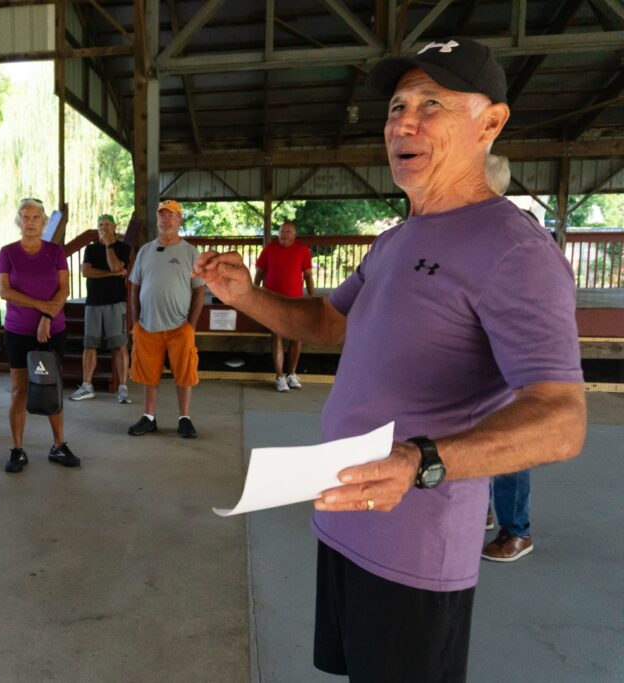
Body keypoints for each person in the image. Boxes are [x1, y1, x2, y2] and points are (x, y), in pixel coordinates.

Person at [193, 38, 586, 681]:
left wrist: (423, 459)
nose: (404, 121)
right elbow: (325, 323)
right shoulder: (396, 239)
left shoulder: (515, 249)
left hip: (417, 552)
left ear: (490, 123)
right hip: (346, 524)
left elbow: (561, 419)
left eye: (432, 104)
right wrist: (246, 295)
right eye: (398, 105)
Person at [0, 198, 79, 473]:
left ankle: (58, 445)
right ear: (19, 221)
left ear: (44, 222)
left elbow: (64, 289)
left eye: (35, 217)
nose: (30, 222)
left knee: (52, 387)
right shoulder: (8, 252)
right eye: (25, 217)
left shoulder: (55, 252)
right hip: (18, 331)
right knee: (19, 391)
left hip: (52, 331)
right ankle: (17, 450)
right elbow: (5, 291)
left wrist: (46, 316)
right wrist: (42, 306)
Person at [480, 153, 535, 562]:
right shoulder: (471, 230)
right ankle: (479, 509)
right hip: (479, 353)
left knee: (508, 443)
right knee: (473, 430)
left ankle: (516, 530)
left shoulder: (518, 234)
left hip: (512, 355)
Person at [127, 200, 206, 439]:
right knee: (149, 374)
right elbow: (134, 287)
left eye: (172, 215)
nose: (166, 219)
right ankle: (148, 417)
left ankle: (184, 418)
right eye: (162, 215)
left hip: (179, 326)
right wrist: (135, 323)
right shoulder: (145, 250)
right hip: (148, 325)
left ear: (180, 220)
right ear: (158, 219)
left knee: (184, 373)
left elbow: (200, 291)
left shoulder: (191, 252)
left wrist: (191, 325)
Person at [69, 213, 132, 404]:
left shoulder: (123, 248)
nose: (102, 227)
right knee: (90, 345)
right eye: (100, 224)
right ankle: (87, 385)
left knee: (120, 345)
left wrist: (108, 246)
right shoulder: (90, 249)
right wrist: (111, 274)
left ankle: (122, 387)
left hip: (116, 303)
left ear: (114, 227)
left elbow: (116, 266)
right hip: (94, 303)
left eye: (106, 224)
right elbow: (87, 271)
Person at [253, 221, 315, 392]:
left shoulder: (303, 250)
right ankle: (280, 377)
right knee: (277, 336)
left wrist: (312, 295)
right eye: (282, 231)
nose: (285, 234)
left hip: (296, 302)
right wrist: (254, 292)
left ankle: (292, 374)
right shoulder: (269, 249)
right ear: (277, 233)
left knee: (296, 337)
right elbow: (259, 273)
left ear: (295, 235)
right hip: (273, 301)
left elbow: (308, 275)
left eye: (288, 231)